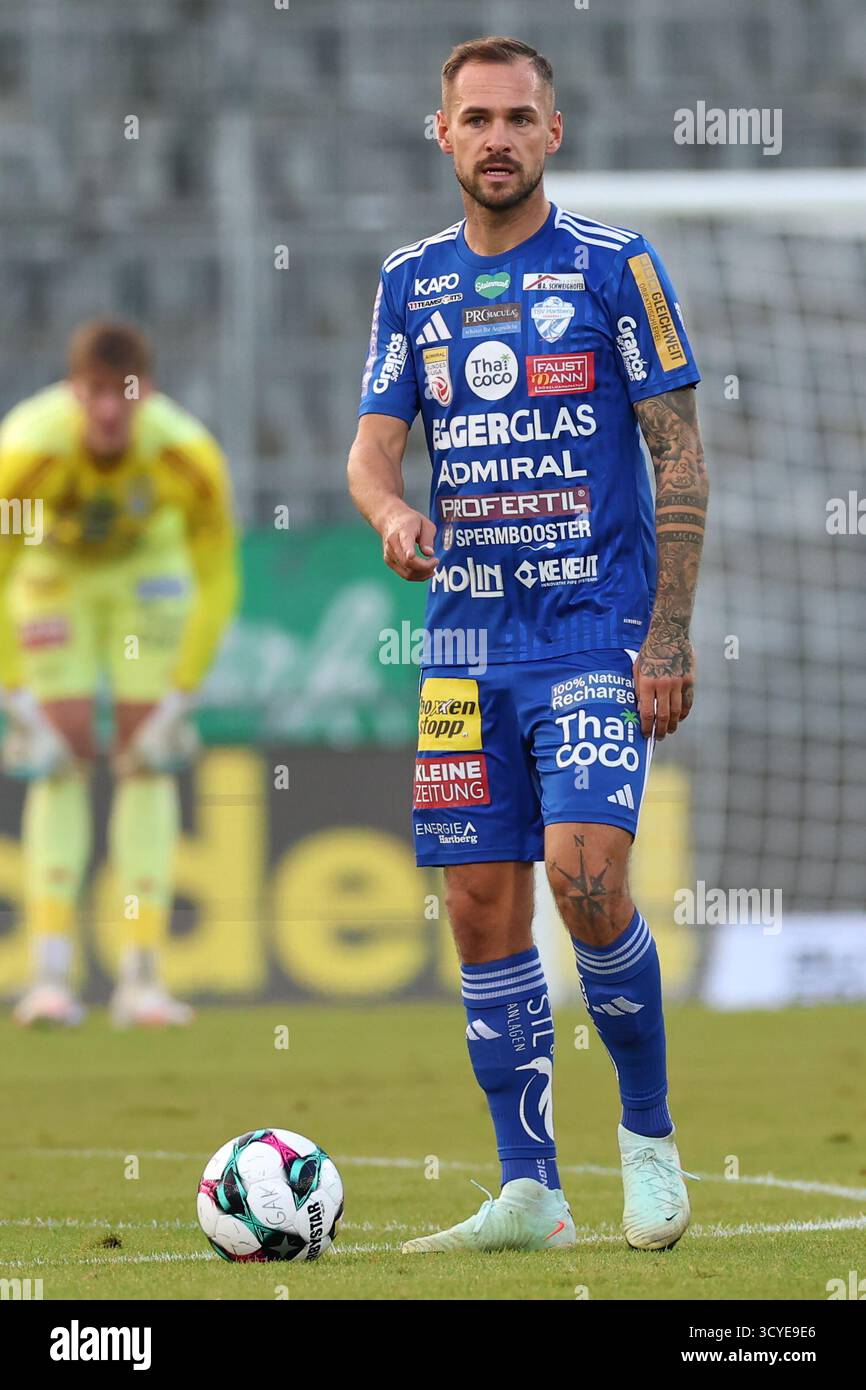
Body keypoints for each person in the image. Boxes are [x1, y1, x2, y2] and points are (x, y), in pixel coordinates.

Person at [349, 36, 709, 1252]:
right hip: (462, 652)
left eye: (517, 117)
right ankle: (527, 1192)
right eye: (474, 118)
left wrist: (664, 637)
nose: (495, 137)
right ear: (438, 133)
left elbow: (678, 454)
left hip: (590, 638)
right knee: (477, 907)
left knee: (585, 877)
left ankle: (650, 1145)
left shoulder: (617, 267)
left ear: (552, 132)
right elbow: (370, 446)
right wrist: (394, 511)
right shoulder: (409, 282)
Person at [0, 321, 238, 1026]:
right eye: (95, 394)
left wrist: (181, 694)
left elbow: (219, 577)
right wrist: (15, 697)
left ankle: (141, 976)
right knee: (61, 755)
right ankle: (49, 973)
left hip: (146, 575)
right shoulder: (27, 451)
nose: (108, 410)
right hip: (54, 574)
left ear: (147, 394)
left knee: (144, 757)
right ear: (75, 393)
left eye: (122, 396)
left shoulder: (186, 454)